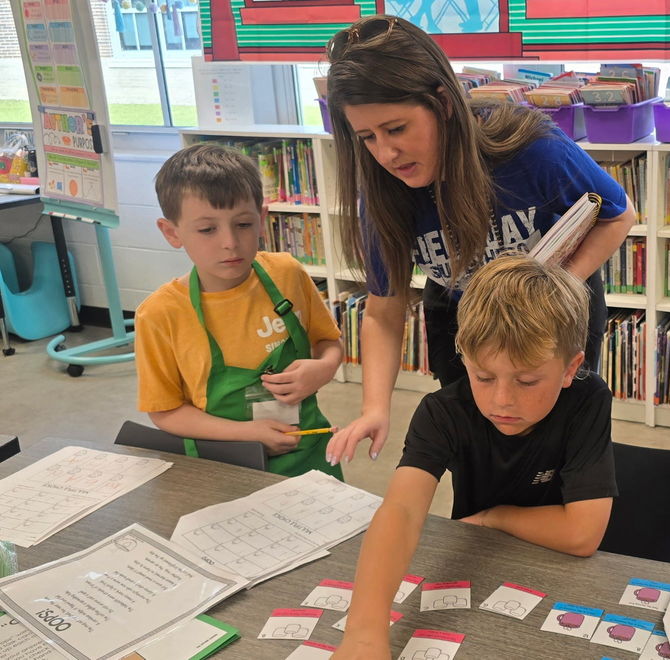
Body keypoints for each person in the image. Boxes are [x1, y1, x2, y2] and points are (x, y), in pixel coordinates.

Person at [321, 15, 636, 465]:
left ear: (444, 103)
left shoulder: (530, 148)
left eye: (396, 129)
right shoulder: (383, 193)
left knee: (564, 442)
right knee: (478, 447)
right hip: (461, 315)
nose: (386, 154)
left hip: (556, 307)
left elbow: (617, 215)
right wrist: (375, 408)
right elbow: (383, 311)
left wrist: (552, 287)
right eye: (367, 137)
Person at [331, 255, 616, 658]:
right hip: (478, 569)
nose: (502, 401)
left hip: (560, 576)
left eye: (527, 380)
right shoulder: (442, 411)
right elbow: (402, 512)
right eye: (483, 376)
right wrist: (363, 633)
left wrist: (493, 516)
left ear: (571, 369)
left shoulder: (588, 399)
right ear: (463, 357)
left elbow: (582, 534)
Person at [135, 143, 344, 478]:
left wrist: (324, 368)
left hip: (308, 456)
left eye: (243, 224)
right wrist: (248, 434)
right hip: (223, 468)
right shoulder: (160, 315)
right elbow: (166, 412)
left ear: (261, 219)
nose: (230, 242)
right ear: (172, 232)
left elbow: (328, 342)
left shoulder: (287, 274)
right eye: (207, 229)